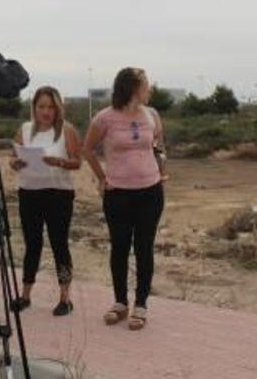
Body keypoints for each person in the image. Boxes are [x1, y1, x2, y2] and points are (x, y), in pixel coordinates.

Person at [83, 67, 166, 331]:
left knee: (144, 247)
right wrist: (101, 178)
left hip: (150, 191)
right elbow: (87, 149)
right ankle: (120, 302)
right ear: (132, 88)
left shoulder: (152, 115)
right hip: (117, 193)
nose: (150, 89)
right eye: (146, 85)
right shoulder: (104, 118)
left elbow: (159, 146)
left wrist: (163, 172)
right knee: (119, 247)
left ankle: (141, 304)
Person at [10, 86, 82, 316]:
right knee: (32, 244)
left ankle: (65, 298)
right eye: (41, 106)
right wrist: (17, 163)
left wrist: (58, 162)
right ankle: (25, 295)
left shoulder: (66, 130)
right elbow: (14, 158)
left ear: (58, 108)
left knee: (59, 244)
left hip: (58, 193)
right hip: (29, 192)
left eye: (51, 107)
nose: (46, 111)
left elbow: (77, 161)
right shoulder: (25, 129)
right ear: (34, 108)